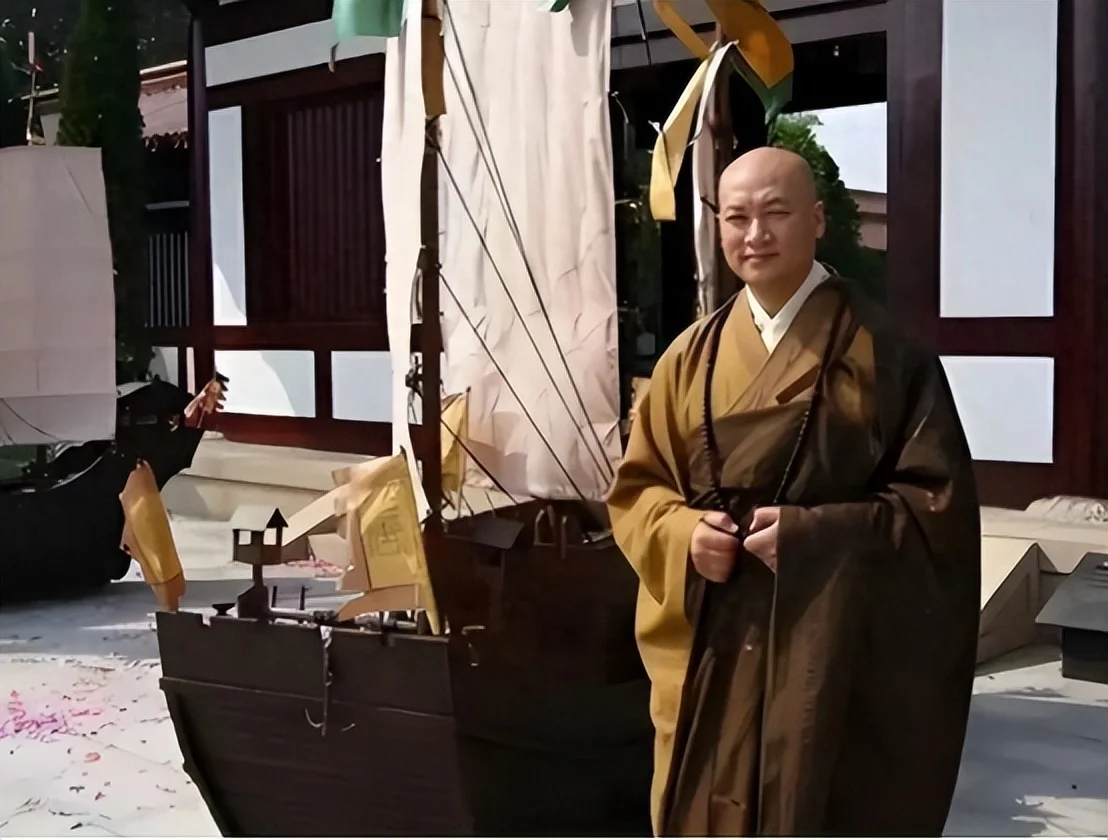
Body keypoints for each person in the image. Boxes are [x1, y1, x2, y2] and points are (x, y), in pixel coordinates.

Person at [608, 146, 981, 836]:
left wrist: (820, 538)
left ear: (816, 220)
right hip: (711, 644)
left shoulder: (887, 354)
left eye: (775, 214)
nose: (755, 235)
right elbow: (639, 490)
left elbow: (939, 513)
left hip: (830, 653)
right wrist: (683, 534)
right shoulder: (689, 357)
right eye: (737, 217)